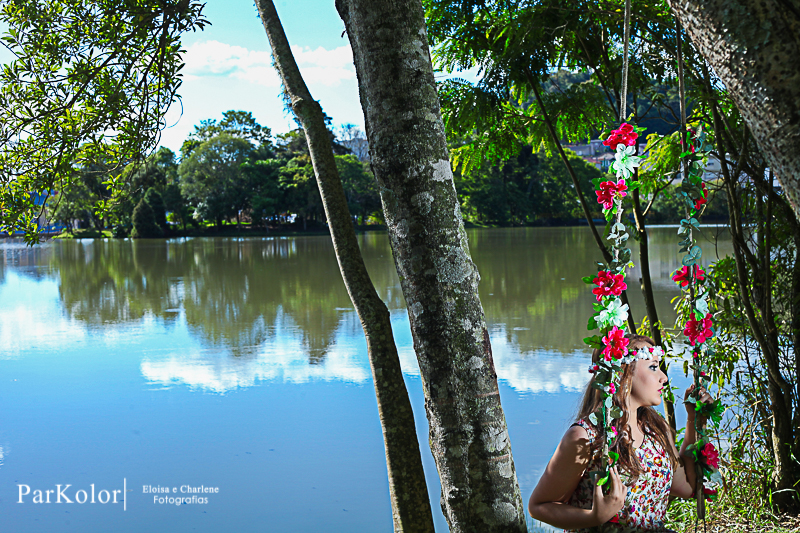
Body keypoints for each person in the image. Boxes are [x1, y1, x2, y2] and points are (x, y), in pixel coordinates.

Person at [528, 335, 714, 532]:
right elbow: (539, 507)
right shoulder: (586, 437)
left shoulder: (657, 430)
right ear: (622, 373)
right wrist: (594, 517)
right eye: (653, 367)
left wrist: (694, 419)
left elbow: (686, 486)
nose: (664, 377)